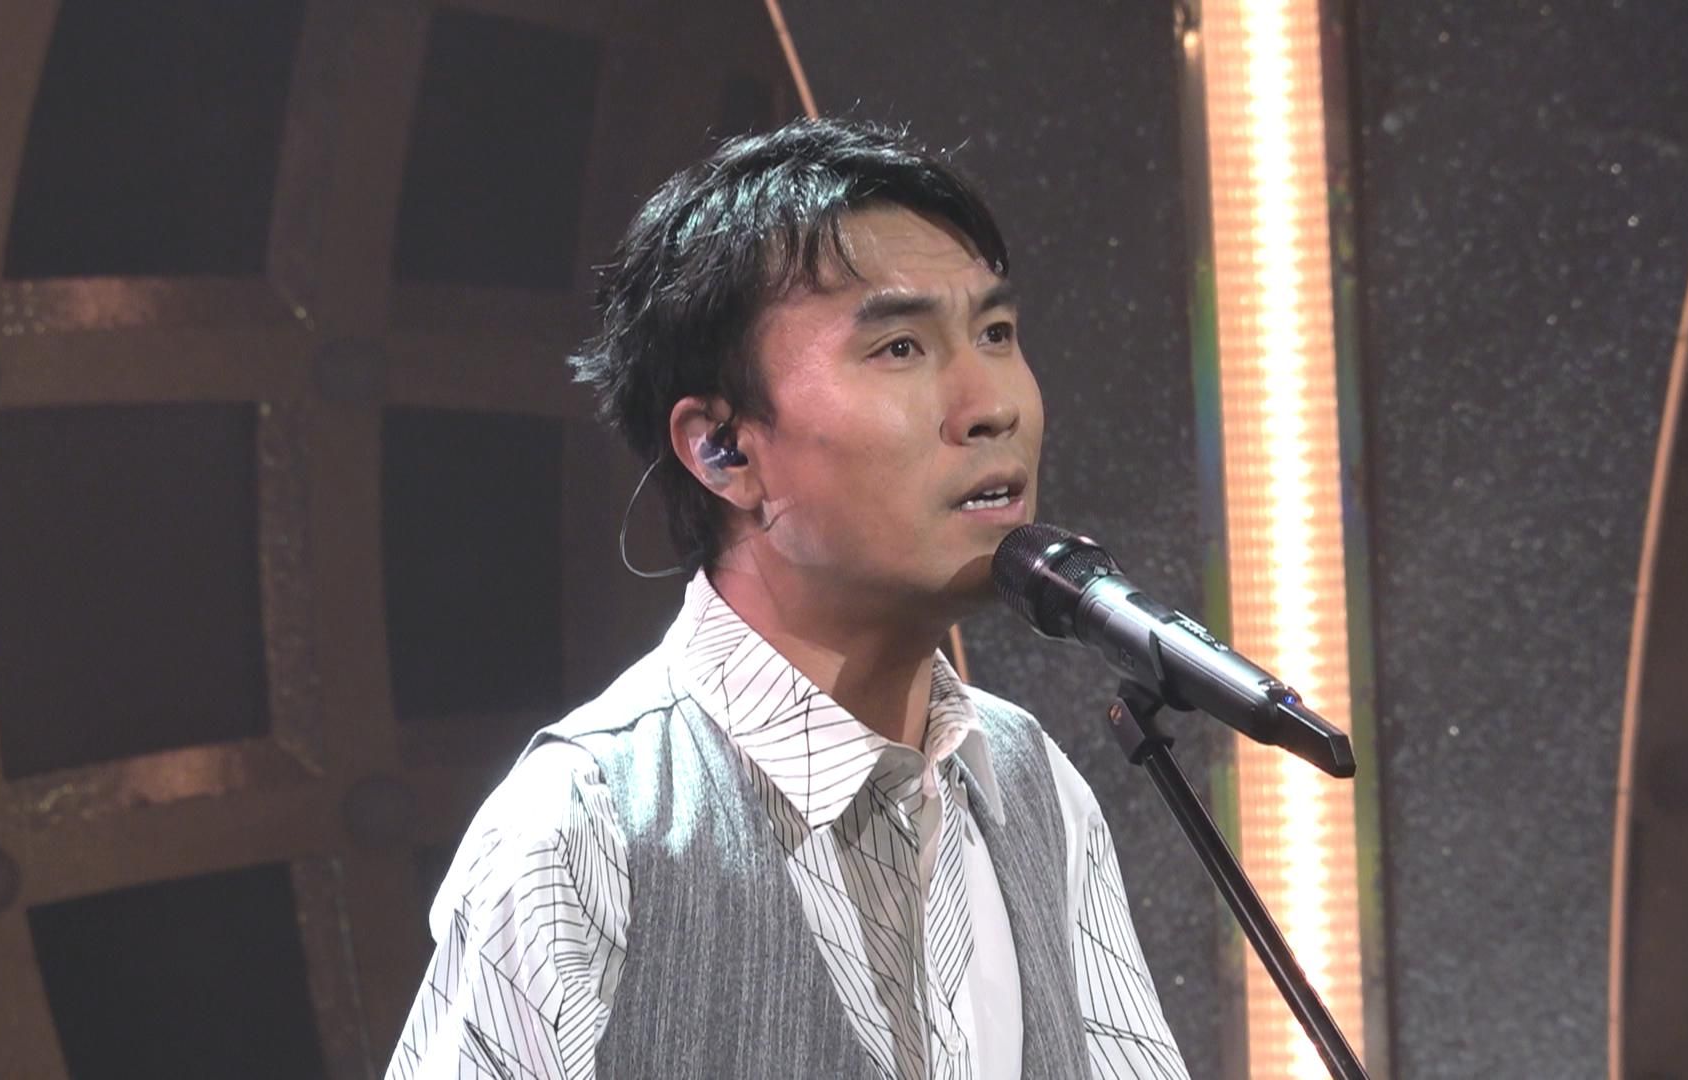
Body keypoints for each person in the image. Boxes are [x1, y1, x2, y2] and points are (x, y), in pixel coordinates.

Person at [386, 117, 1190, 1079]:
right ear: (723, 450)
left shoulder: (1036, 792)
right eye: (900, 346)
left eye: (996, 333)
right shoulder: (583, 832)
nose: (993, 405)